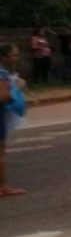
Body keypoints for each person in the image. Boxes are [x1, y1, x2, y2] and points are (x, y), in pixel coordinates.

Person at [0, 43, 27, 197]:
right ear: (5, 57)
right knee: (1, 152)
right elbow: (3, 97)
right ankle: (4, 187)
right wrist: (15, 89)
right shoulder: (2, 74)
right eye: (14, 55)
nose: (17, 58)